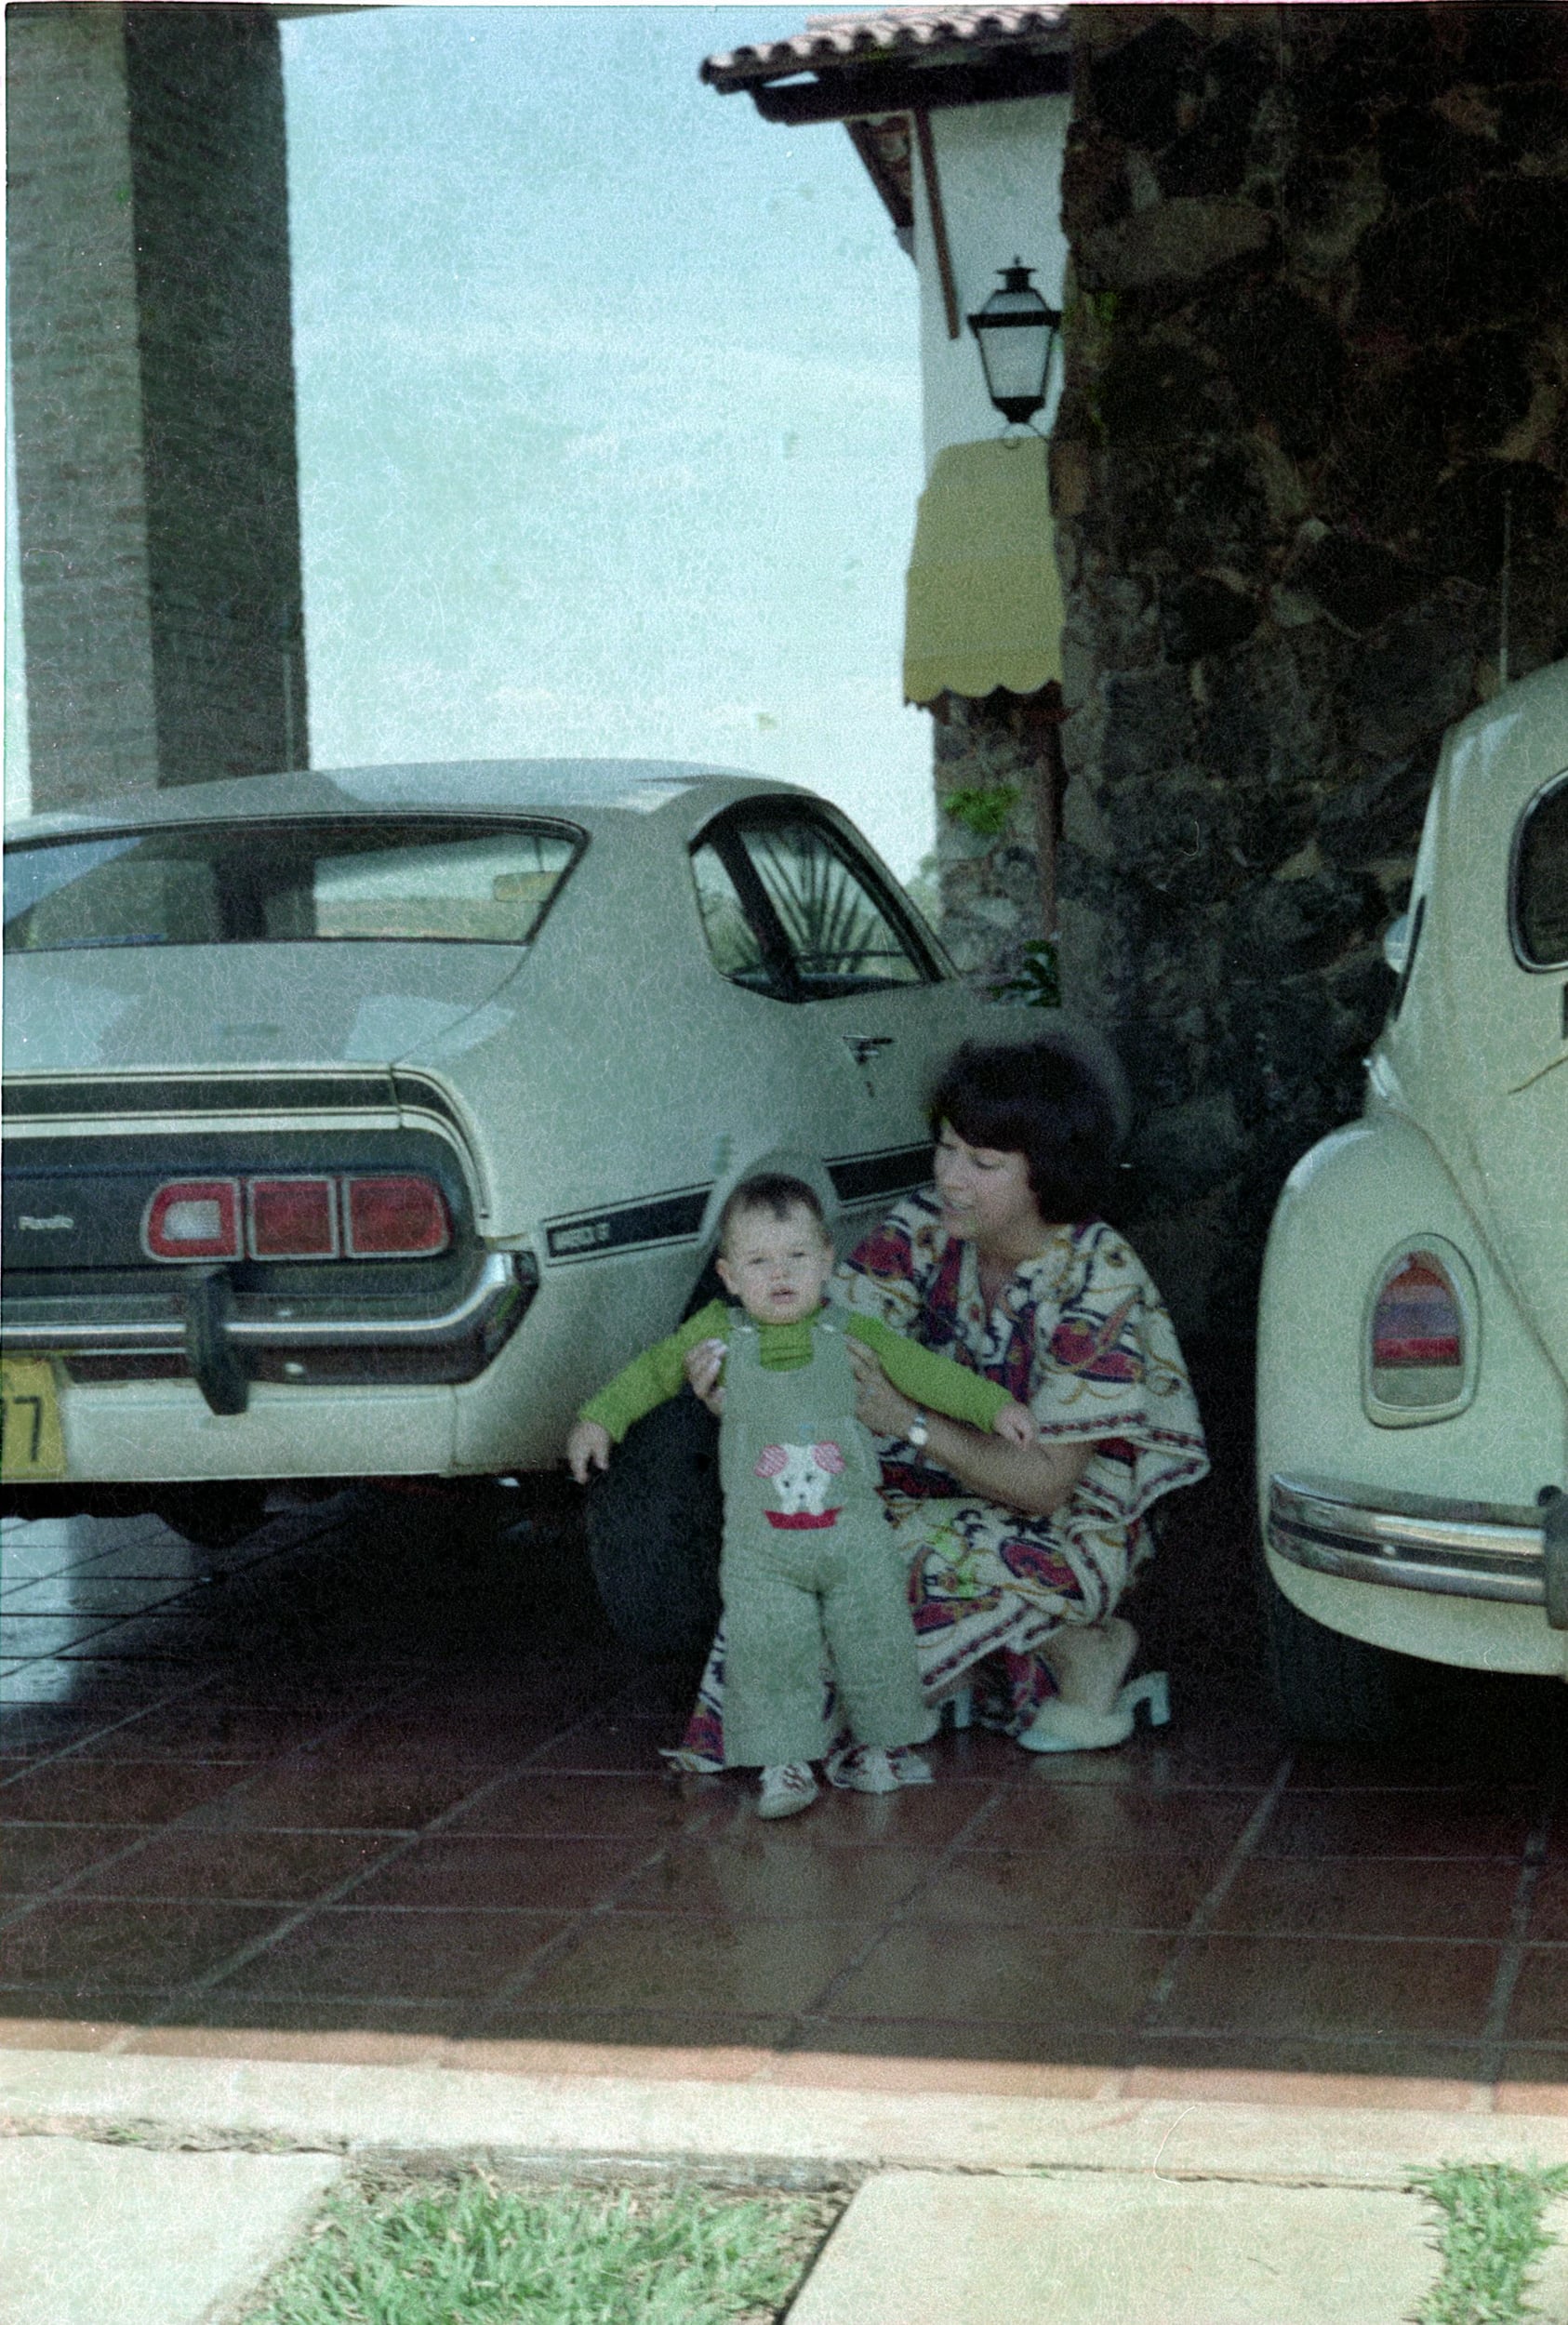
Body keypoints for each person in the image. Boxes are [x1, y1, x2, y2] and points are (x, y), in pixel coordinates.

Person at [672, 1035, 1209, 1766]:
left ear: (1046, 1173)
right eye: (947, 1149)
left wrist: (910, 1422)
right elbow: (827, 1338)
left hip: (1073, 1520)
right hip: (940, 1482)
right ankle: (979, 1662)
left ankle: (1081, 1646)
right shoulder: (923, 1228)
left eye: (983, 1163)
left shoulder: (1098, 1276)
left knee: (869, 1553)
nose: (951, 1178)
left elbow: (1046, 1485)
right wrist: (745, 1389)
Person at [567, 1172, 1038, 1817]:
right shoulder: (718, 1332)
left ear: (825, 1261)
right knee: (769, 1649)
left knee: (877, 1640)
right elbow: (652, 1371)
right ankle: (783, 1765)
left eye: (796, 1256)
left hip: (854, 1537)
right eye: (759, 1262)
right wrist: (599, 1419)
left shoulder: (849, 1331)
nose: (780, 1274)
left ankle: (882, 1750)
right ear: (730, 1277)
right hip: (762, 1549)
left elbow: (925, 1372)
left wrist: (994, 1407)